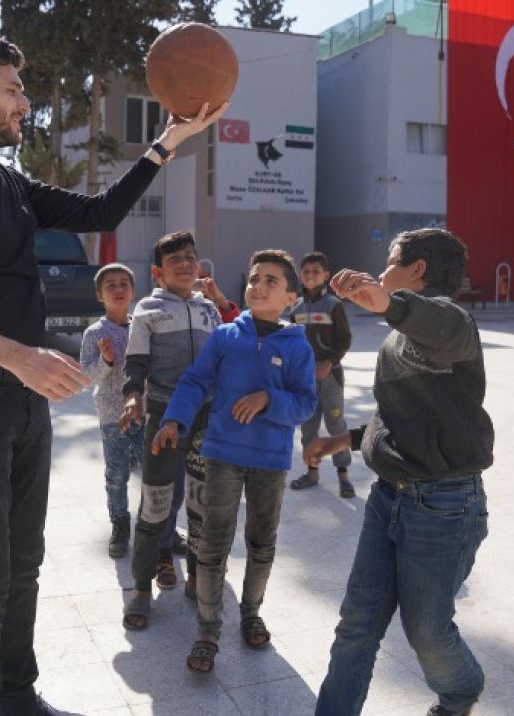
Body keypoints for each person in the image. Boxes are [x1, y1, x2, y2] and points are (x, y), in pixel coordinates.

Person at [0, 32, 223, 715]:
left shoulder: (7, 181)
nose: (25, 103)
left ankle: (18, 695)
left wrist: (165, 143)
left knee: (23, 566)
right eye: (13, 89)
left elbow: (100, 212)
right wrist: (17, 352)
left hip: (23, 405)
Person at [307, 229, 494, 716]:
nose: (382, 268)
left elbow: (443, 326)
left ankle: (460, 690)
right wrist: (343, 440)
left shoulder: (449, 321)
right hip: (389, 497)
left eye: (390, 260)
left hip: (444, 503)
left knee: (427, 632)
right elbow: (399, 415)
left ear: (418, 270)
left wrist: (389, 303)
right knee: (356, 625)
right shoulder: (399, 330)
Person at [152, 249, 317, 673]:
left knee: (262, 542)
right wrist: (174, 419)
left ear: (291, 298)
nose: (258, 286)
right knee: (212, 544)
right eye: (254, 278)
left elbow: (305, 404)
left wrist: (268, 398)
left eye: (271, 281)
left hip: (270, 460)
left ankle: (251, 613)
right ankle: (207, 631)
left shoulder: (298, 346)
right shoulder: (227, 336)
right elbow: (194, 381)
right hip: (222, 454)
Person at [120, 231, 222, 629]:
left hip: (207, 419)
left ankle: (197, 579)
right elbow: (136, 365)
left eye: (190, 257)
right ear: (158, 271)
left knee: (201, 505)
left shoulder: (209, 309)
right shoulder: (146, 310)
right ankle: (142, 590)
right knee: (156, 504)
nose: (184, 263)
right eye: (175, 258)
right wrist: (133, 397)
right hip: (163, 417)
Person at [79, 263, 144, 558]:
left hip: (146, 413)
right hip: (111, 415)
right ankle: (120, 525)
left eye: (123, 284)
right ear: (99, 295)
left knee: (155, 475)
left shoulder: (144, 326)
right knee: (117, 475)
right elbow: (86, 376)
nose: (118, 289)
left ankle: (159, 527)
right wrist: (105, 361)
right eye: (110, 285)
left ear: (133, 290)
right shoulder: (95, 333)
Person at [288, 251, 355, 497]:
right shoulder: (296, 308)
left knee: (336, 424)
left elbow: (344, 340)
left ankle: (344, 476)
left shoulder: (333, 305)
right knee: (308, 426)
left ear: (326, 275)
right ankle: (312, 473)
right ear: (300, 275)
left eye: (316, 271)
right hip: (305, 378)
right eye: (306, 271)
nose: (310, 275)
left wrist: (328, 362)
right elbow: (293, 343)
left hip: (330, 377)